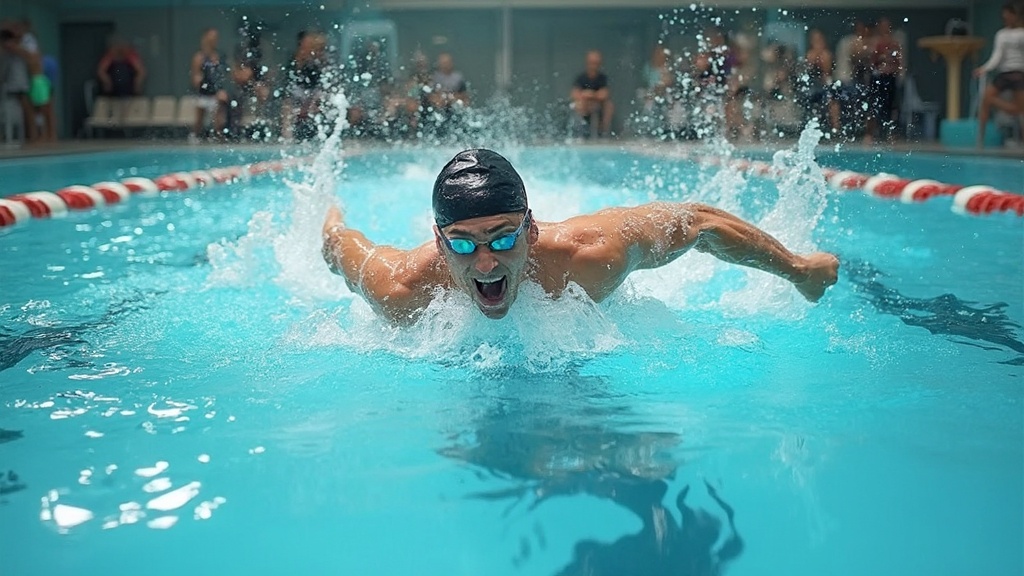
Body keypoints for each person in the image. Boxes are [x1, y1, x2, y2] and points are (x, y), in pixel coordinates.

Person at [320, 149, 840, 325]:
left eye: (502, 240)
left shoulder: (592, 255)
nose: (484, 263)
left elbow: (700, 221)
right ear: (438, 242)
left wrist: (797, 269)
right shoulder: (400, 290)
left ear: (531, 228)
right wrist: (331, 223)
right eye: (462, 244)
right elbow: (341, 249)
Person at [975, 2, 1024, 146]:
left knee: (1021, 110)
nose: (1006, 18)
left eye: (1009, 15)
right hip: (1004, 74)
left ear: (1016, 16)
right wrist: (984, 68)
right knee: (985, 99)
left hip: (1019, 73)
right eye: (1004, 16)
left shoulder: (1022, 33)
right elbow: (997, 56)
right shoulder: (1001, 34)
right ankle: (980, 140)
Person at [190, 28, 229, 141]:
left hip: (215, 93)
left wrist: (218, 90)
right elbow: (196, 78)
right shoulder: (199, 57)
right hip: (203, 92)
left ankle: (218, 136)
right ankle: (195, 135)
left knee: (219, 115)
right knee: (199, 118)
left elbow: (222, 76)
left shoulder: (219, 56)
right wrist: (203, 88)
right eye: (211, 38)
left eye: (215, 38)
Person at [571, 51, 614, 137]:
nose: (594, 66)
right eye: (592, 63)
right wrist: (585, 96)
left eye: (596, 63)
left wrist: (591, 95)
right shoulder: (581, 78)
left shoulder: (602, 78)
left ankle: (602, 131)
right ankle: (581, 132)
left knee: (609, 106)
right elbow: (574, 94)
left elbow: (604, 94)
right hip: (585, 104)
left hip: (597, 104)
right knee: (579, 104)